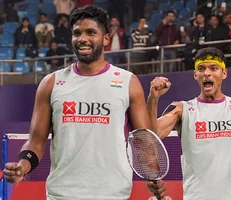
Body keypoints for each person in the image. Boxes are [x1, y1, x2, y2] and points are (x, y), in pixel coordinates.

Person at [3, 5, 165, 200]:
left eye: (91, 32)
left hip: (113, 194)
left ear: (106, 38)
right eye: (77, 33)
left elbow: (143, 141)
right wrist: (23, 166)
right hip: (62, 194)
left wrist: (152, 176)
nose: (82, 39)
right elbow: (36, 141)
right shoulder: (51, 83)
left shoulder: (128, 82)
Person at [147, 47, 231, 199]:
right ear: (195, 75)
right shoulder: (182, 109)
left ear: (224, 73)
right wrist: (153, 99)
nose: (207, 73)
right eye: (201, 69)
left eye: (213, 68)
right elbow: (152, 135)